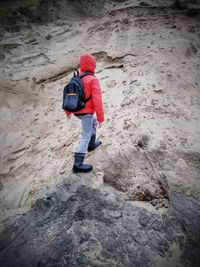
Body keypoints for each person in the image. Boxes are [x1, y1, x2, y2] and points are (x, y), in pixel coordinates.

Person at [65, 53, 104, 173]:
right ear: (93, 66)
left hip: (76, 110)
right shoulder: (92, 79)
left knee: (92, 122)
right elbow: (97, 100)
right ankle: (78, 164)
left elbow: (68, 95)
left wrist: (67, 112)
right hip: (86, 112)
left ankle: (91, 145)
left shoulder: (75, 78)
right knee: (85, 135)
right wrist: (101, 117)